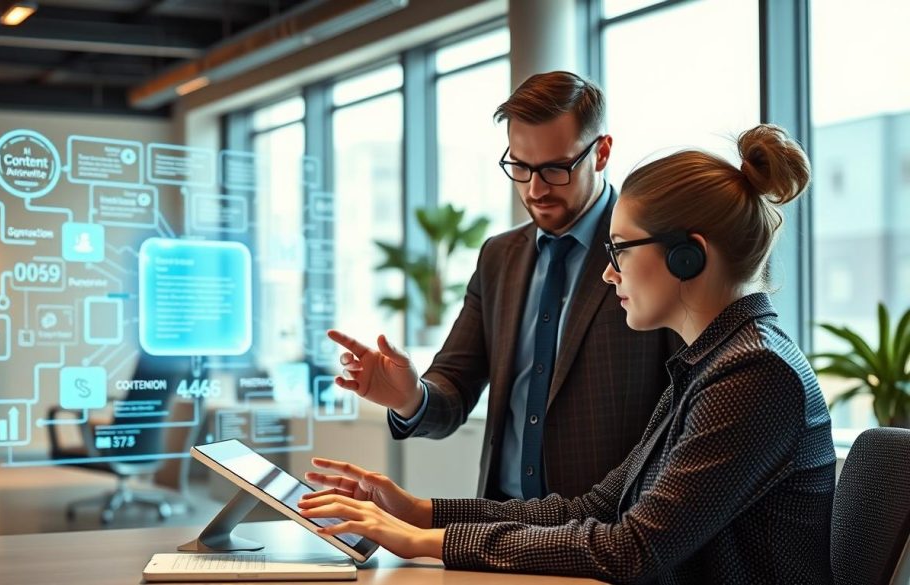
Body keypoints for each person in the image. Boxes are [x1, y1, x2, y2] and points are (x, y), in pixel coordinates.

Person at [300, 124, 835, 584]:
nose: (609, 271)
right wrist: (419, 512)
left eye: (621, 249)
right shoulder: (711, 365)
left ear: (687, 256)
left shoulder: (754, 374)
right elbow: (595, 508)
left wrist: (423, 542)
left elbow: (631, 549)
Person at [327, 71, 680, 501]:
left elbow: (682, 411)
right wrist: (411, 397)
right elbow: (454, 387)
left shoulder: (648, 249)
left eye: (555, 168)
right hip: (500, 524)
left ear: (601, 152)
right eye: (520, 166)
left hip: (608, 536)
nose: (535, 189)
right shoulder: (499, 256)